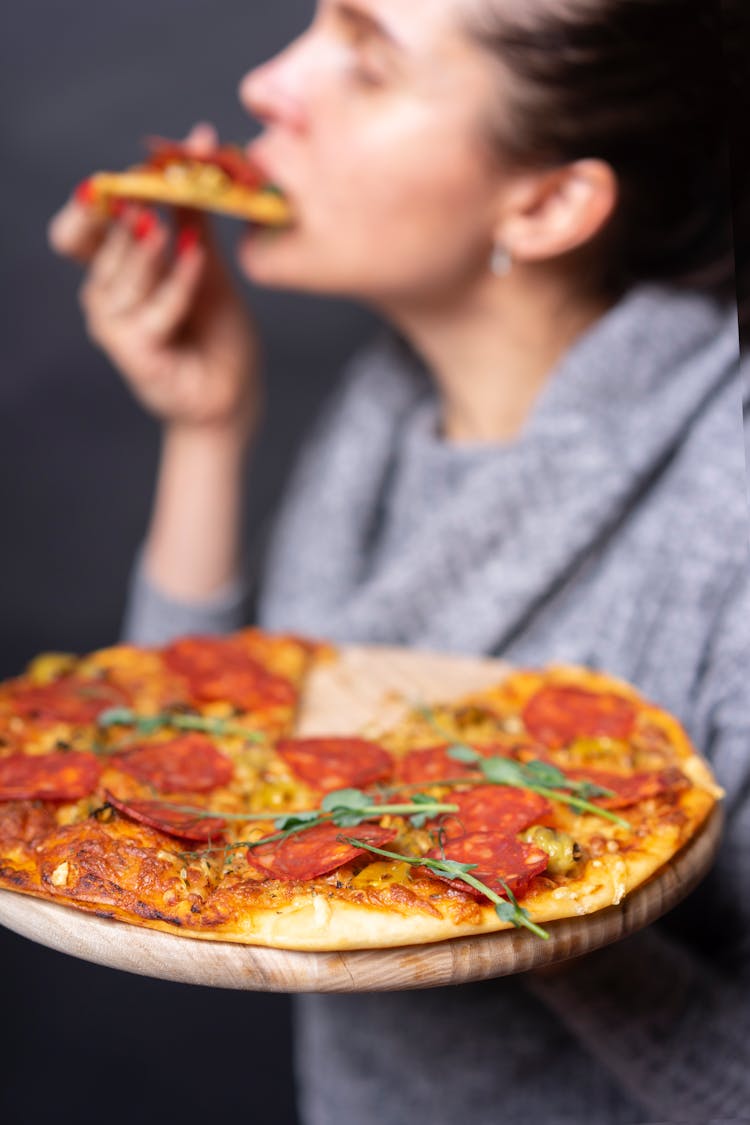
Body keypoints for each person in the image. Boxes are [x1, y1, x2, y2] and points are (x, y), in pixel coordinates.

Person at [49, 1, 749, 1122]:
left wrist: (529, 877)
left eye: (368, 62)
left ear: (551, 201)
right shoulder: (389, 408)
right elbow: (168, 772)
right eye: (314, 24)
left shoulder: (730, 507)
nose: (271, 82)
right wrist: (207, 429)